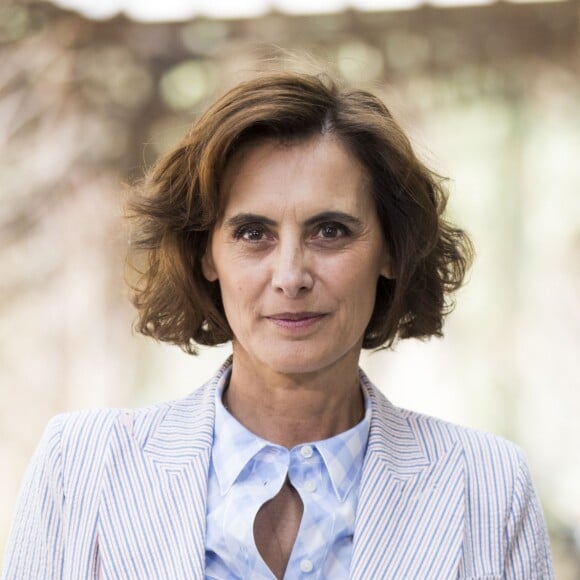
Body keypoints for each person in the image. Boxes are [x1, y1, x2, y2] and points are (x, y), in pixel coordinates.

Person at [2, 71, 554, 579]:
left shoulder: (488, 486)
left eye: (330, 231)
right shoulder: (80, 467)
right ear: (206, 254)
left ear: (391, 250)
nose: (291, 275)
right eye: (252, 233)